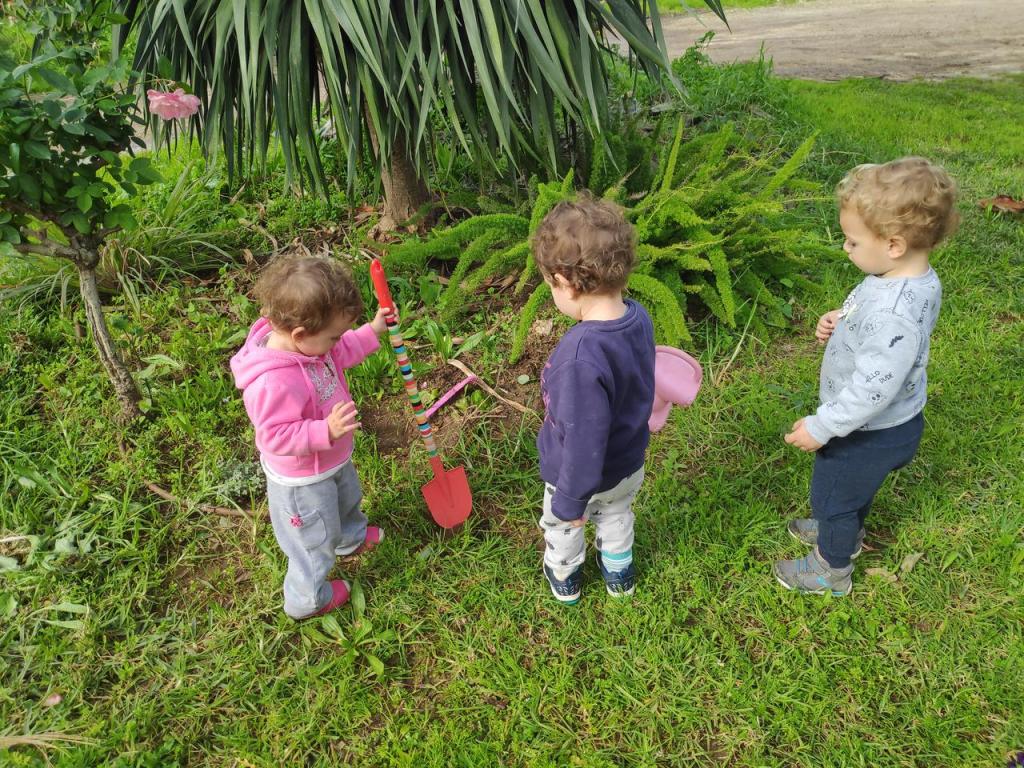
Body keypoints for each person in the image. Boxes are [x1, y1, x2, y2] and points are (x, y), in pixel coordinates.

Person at [777, 157, 958, 596]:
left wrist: (823, 426)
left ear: (893, 244)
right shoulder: (908, 279)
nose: (846, 248)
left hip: (866, 432)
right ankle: (842, 528)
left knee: (832, 497)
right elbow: (878, 326)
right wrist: (844, 318)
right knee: (851, 491)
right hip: (893, 424)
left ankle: (831, 567)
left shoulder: (894, 313)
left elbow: (873, 388)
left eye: (853, 241)